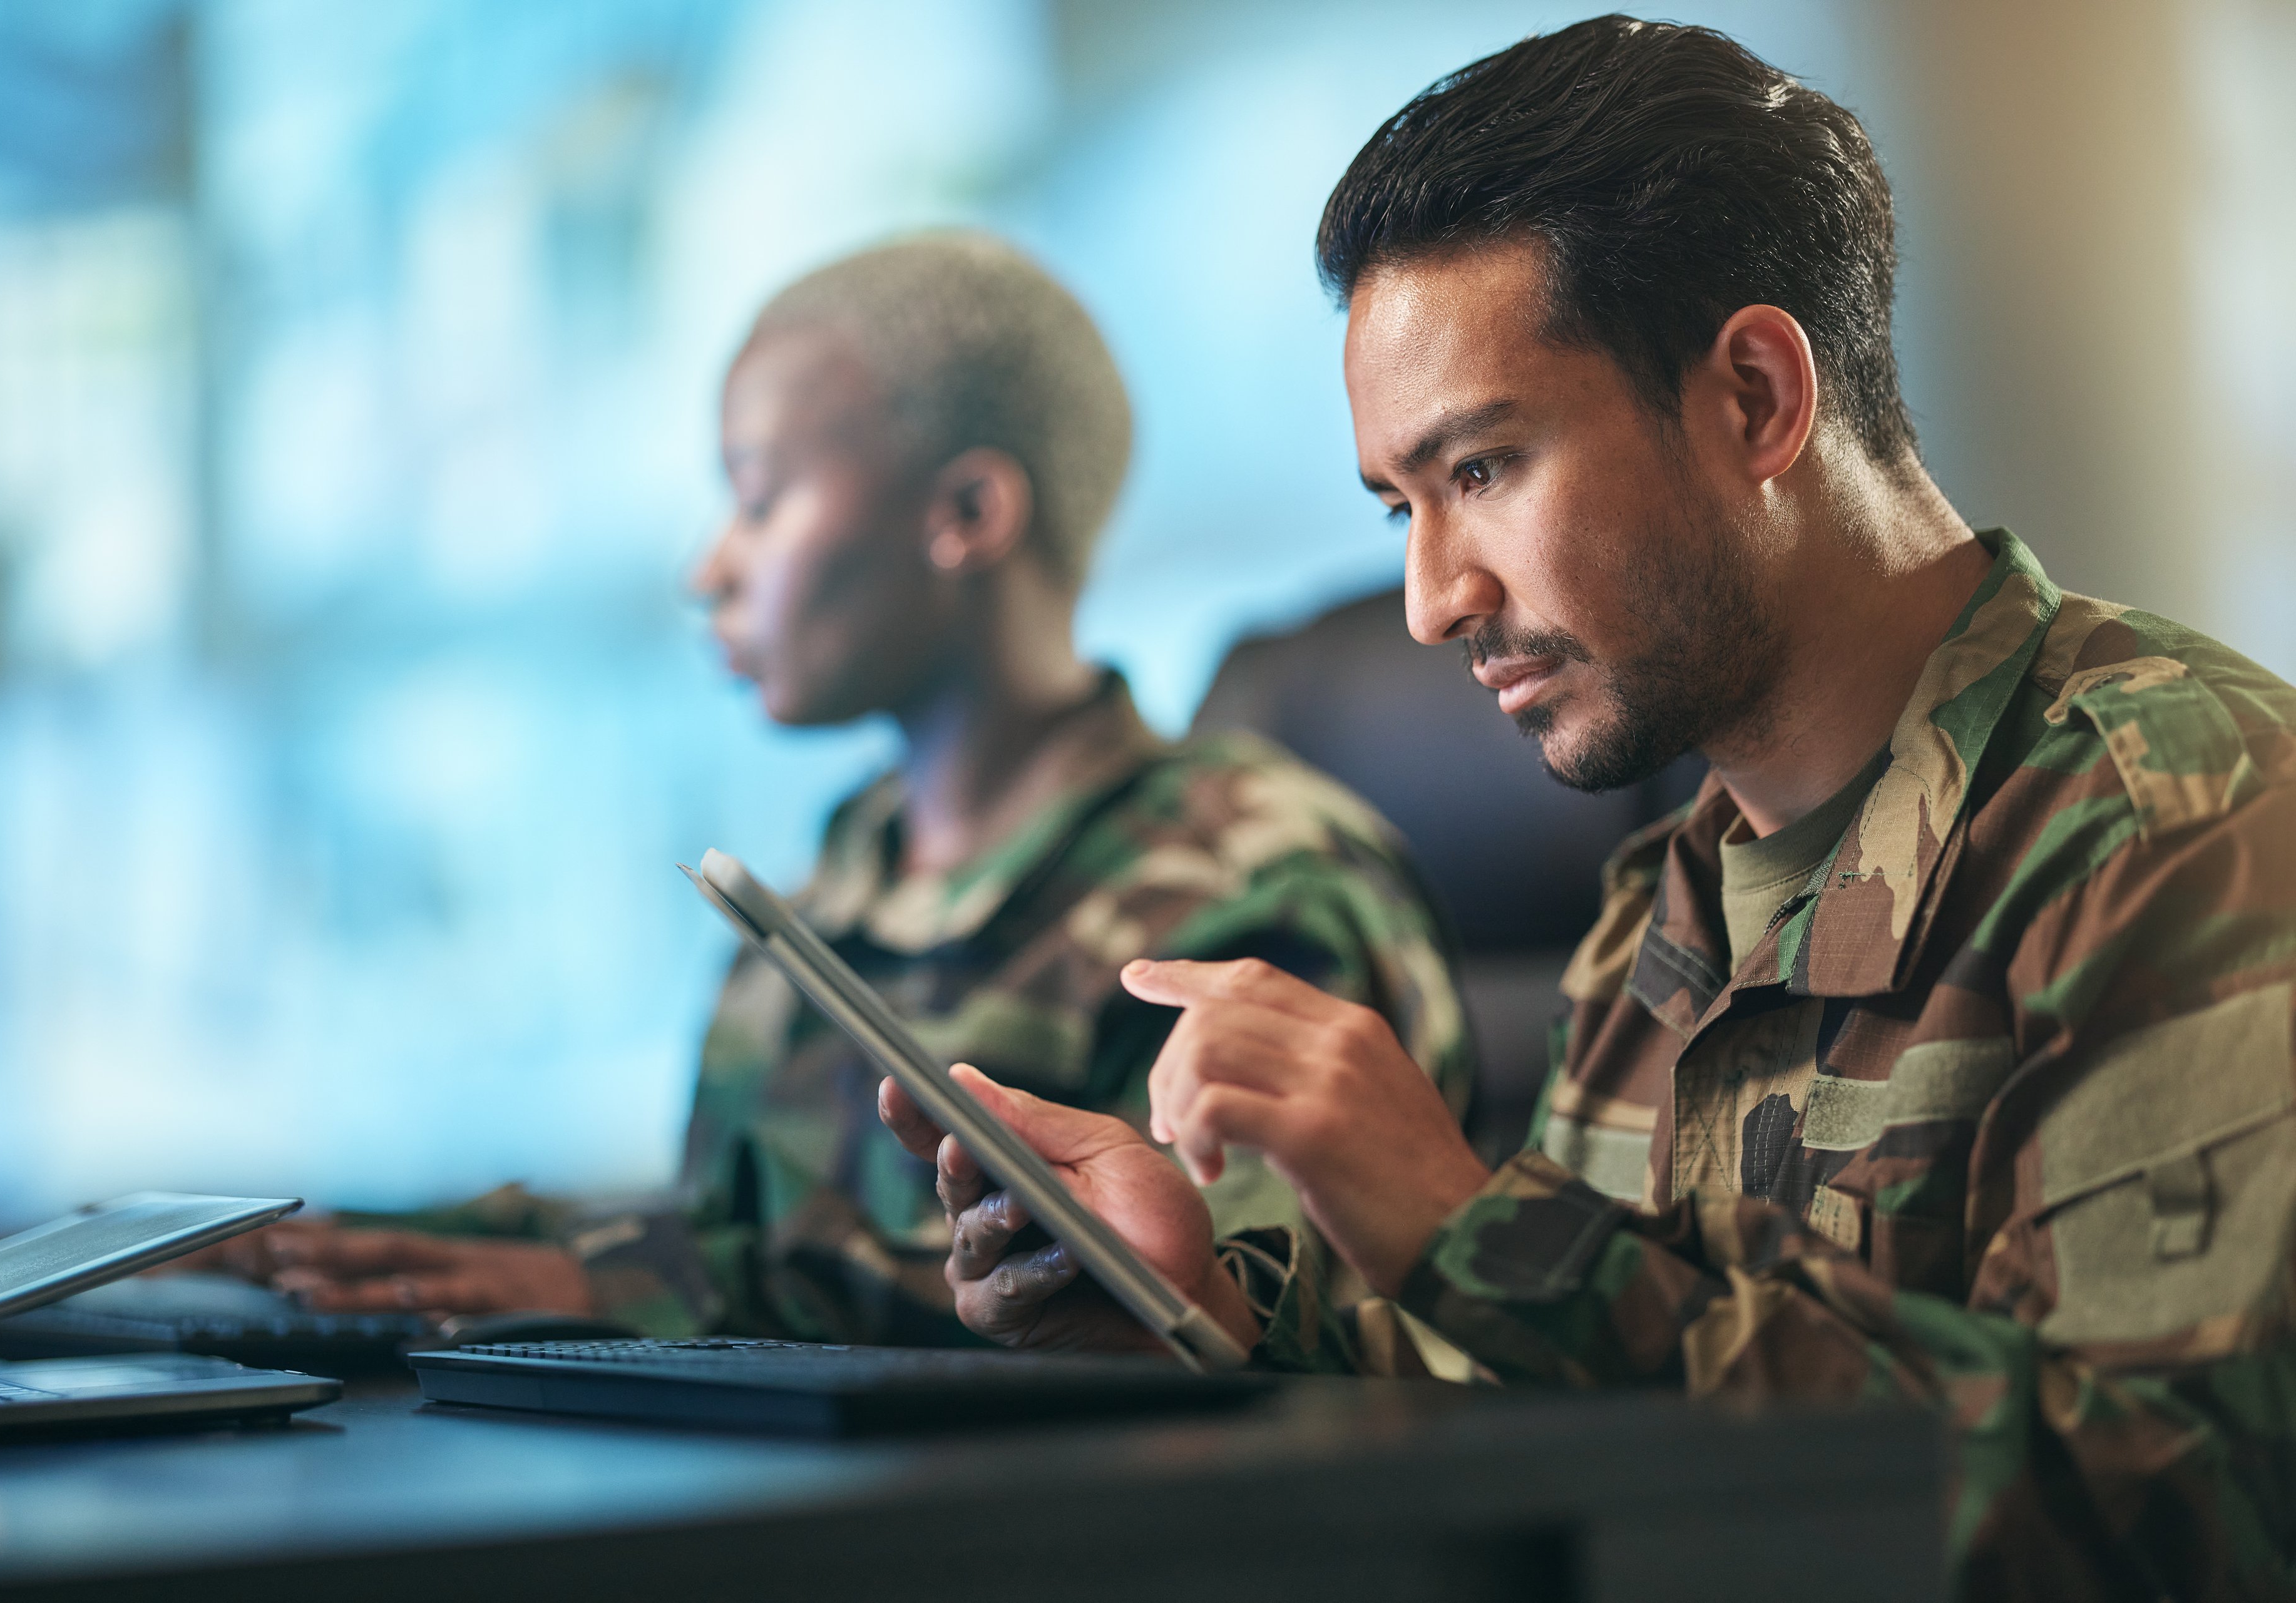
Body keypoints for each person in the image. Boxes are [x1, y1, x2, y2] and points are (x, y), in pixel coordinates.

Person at [878, 20, 2296, 1597]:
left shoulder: (2183, 814)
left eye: (1482, 469)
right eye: (1401, 507)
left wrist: (1474, 1233)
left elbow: (2173, 1518)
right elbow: (1564, 1404)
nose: (1430, 600)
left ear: (1758, 398)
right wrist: (1214, 1309)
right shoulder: (1668, 897)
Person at [214, 233, 1472, 1346]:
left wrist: (634, 1290)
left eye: (759, 500)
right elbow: (731, 1240)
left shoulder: (1252, 882)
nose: (712, 567)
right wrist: (310, 1240)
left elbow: (1238, 1326)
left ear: (968, 513)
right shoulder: (829, 890)